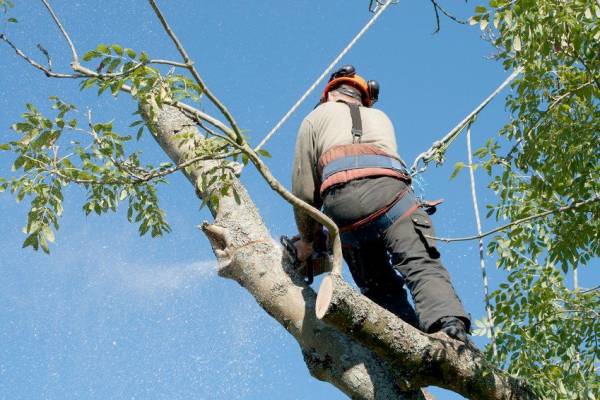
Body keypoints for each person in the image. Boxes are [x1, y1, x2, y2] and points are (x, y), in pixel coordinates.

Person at [291, 65, 471, 342]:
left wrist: (308, 241)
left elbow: (304, 192)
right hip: (392, 198)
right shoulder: (380, 116)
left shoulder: (315, 118)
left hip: (342, 210)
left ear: (329, 94)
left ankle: (405, 342)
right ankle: (449, 326)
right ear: (364, 98)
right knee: (420, 263)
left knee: (379, 287)